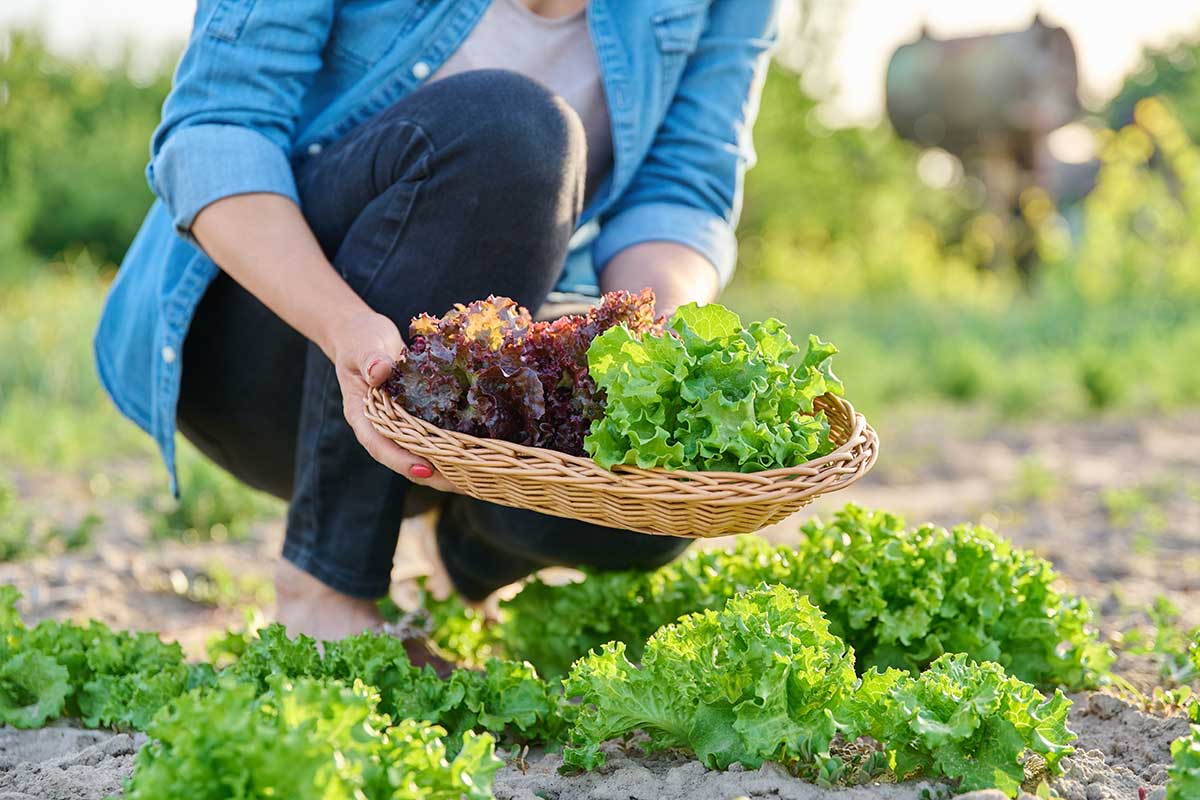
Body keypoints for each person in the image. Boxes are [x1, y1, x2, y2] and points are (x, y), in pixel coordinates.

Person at [94, 0, 779, 658]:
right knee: (515, 131)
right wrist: (345, 328)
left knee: (657, 486)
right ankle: (323, 589)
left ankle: (468, 559)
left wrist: (650, 352)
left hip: (447, 382)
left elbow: (682, 187)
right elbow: (218, 130)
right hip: (268, 348)